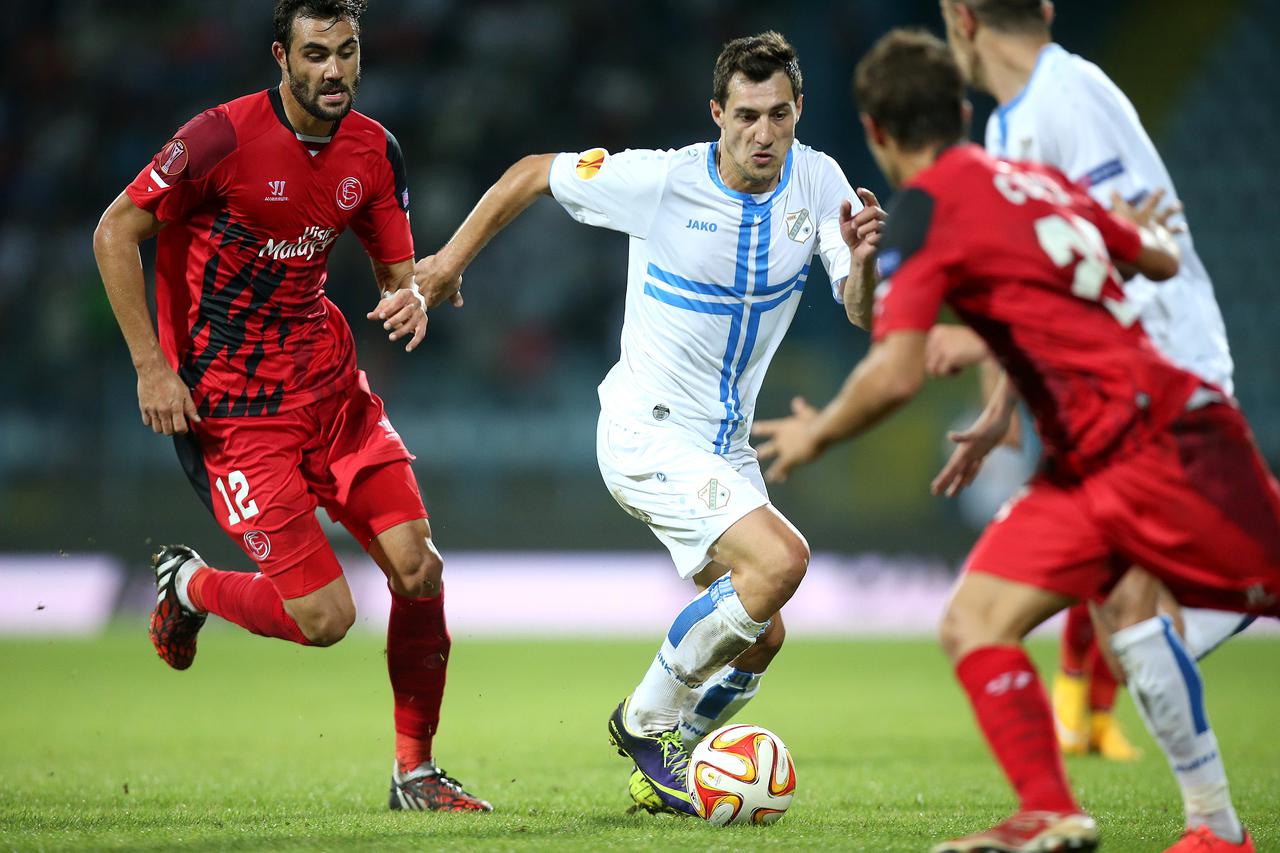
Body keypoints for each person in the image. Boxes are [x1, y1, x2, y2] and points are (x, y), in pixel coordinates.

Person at [752, 28, 1278, 853]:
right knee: (975, 618)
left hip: (1160, 440)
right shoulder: (1029, 177)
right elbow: (1158, 258)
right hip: (1092, 459)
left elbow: (893, 372)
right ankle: (1067, 812)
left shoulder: (925, 213)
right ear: (961, 113)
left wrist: (818, 430)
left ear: (877, 133)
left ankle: (1202, 823)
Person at [413, 31, 884, 815]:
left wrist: (865, 256)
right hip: (647, 430)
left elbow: (861, 310)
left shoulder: (819, 180)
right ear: (716, 114)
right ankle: (646, 721)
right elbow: (532, 173)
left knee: (761, 634)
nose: (763, 134)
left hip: (725, 446)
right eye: (745, 116)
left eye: (778, 115)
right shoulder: (662, 182)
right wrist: (450, 262)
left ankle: (669, 768)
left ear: (798, 110)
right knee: (782, 563)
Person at [92, 0, 489, 813]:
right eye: (315, 54)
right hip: (233, 416)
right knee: (325, 617)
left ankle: (415, 773)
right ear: (281, 55)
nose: (334, 71)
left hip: (331, 390)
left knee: (420, 569)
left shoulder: (375, 150)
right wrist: (150, 367)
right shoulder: (217, 139)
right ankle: (192, 585)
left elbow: (393, 274)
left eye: (346, 52)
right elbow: (112, 231)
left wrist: (410, 298)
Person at [930, 0, 1257, 845]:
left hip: (1159, 390)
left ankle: (1210, 822)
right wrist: (1005, 402)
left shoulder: (1065, 101)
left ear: (960, 18)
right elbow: (1051, 274)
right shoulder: (1027, 119)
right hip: (1111, 404)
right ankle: (1214, 828)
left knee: (1150, 614)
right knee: (1124, 619)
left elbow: (1128, 255)